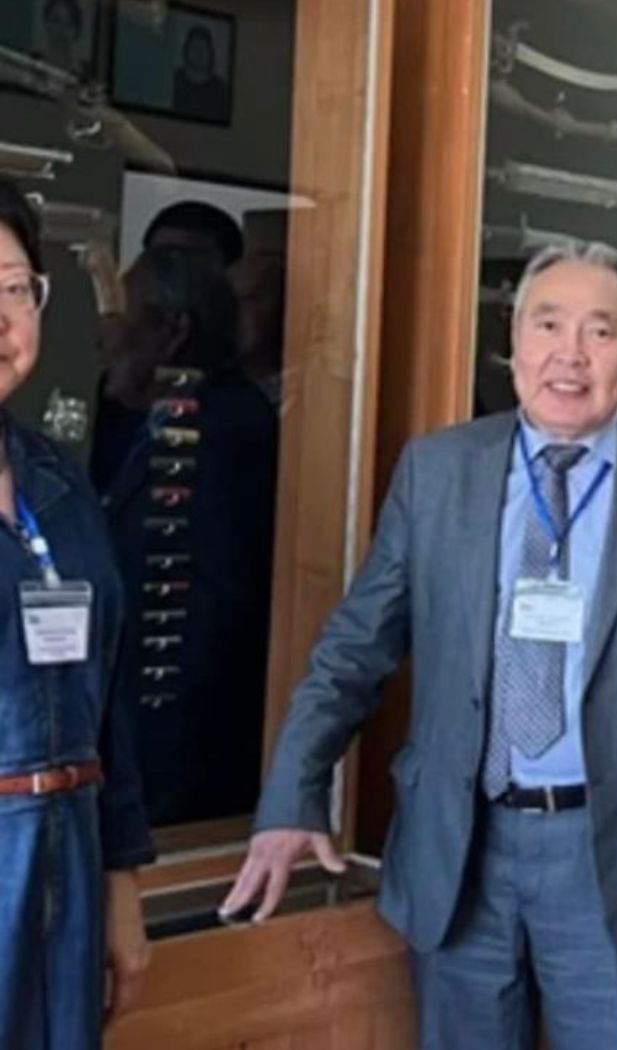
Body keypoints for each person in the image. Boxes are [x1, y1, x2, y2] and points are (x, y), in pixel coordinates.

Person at [221, 241, 617, 1050]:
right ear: (513, 343)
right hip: (461, 843)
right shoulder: (440, 470)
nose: (570, 354)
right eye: (548, 324)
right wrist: (291, 794)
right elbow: (354, 650)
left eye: (601, 331)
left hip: (615, 853)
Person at [0, 177, 154, 1047]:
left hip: (70, 851)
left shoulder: (58, 480)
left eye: (14, 289)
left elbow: (108, 695)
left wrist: (121, 882)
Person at [90, 246, 278, 827]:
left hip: (181, 761)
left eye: (122, 316)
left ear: (173, 331)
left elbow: (211, 610)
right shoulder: (158, 416)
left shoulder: (224, 428)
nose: (105, 337)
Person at [170, 24, 230, 124]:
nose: (199, 53)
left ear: (210, 52)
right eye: (195, 47)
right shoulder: (174, 80)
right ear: (187, 50)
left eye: (204, 48)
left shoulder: (221, 90)